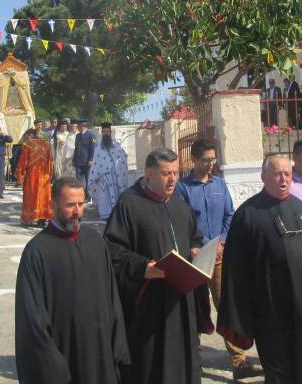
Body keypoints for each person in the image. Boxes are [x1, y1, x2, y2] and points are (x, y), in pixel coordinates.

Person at [217, 154, 302, 384]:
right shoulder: (247, 215)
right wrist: (242, 315)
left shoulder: (300, 207)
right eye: (277, 174)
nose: (283, 180)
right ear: (263, 177)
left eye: (287, 174)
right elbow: (236, 272)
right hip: (270, 315)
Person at [15, 176, 131, 384]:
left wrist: (117, 346)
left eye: (81, 204)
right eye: (70, 205)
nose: (77, 212)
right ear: (52, 206)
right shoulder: (37, 251)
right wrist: (52, 365)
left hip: (100, 357)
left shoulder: (95, 242)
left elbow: (112, 300)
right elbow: (33, 319)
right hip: (63, 358)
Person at [104, 148, 205, 384]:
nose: (172, 179)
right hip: (149, 304)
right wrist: (142, 267)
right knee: (151, 365)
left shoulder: (180, 206)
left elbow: (195, 237)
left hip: (181, 300)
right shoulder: (129, 205)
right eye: (165, 173)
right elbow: (111, 248)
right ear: (149, 174)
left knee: (184, 358)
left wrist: (196, 249)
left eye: (175, 173)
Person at [175, 139, 262, 380]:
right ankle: (193, 359)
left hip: (220, 256)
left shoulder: (220, 185)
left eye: (213, 159)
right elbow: (182, 222)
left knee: (226, 305)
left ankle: (239, 361)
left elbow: (229, 214)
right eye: (206, 160)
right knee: (196, 308)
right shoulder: (182, 189)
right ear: (193, 160)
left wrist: (223, 241)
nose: (210, 164)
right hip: (194, 259)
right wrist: (194, 247)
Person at [88, 123, 130, 221]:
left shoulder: (116, 145)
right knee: (104, 197)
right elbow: (96, 163)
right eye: (104, 132)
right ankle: (105, 214)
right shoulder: (98, 147)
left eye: (108, 131)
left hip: (116, 176)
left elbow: (123, 156)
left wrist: (118, 165)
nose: (106, 133)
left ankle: (117, 214)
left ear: (110, 133)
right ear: (101, 133)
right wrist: (99, 173)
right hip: (103, 177)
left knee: (117, 193)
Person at [15, 130, 54, 227]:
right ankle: (42, 220)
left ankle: (27, 220)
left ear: (32, 135)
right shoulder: (47, 144)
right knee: (44, 198)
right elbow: (51, 161)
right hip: (45, 176)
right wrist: (50, 174)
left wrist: (19, 174)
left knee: (30, 197)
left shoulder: (28, 145)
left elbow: (23, 161)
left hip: (32, 176)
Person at [73, 120, 97, 198]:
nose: (77, 127)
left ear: (83, 126)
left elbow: (93, 149)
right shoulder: (78, 136)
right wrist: (74, 160)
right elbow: (76, 149)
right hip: (78, 161)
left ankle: (89, 196)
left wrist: (91, 160)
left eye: (78, 126)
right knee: (79, 180)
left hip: (87, 161)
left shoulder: (91, 135)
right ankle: (80, 195)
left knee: (88, 180)